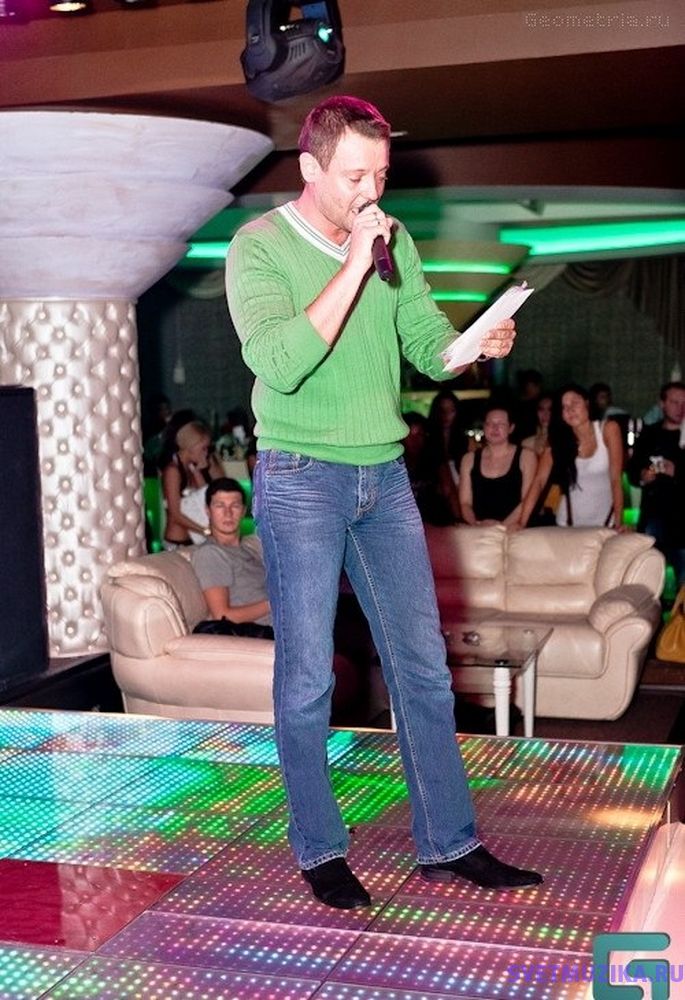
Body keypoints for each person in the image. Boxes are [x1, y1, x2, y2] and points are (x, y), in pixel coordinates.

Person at [226, 95, 541, 910]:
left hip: (383, 476)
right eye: (354, 176)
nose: (371, 193)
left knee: (423, 670)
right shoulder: (258, 247)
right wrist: (354, 264)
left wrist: (472, 345)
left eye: (381, 175)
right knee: (308, 677)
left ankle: (449, 842)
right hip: (301, 476)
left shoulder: (390, 238)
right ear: (310, 168)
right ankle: (319, 848)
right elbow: (279, 361)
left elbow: (425, 345)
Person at [517, 383, 624, 529]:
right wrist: (522, 523)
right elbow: (539, 482)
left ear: (587, 403)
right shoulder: (558, 442)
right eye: (564, 407)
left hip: (606, 522)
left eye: (575, 403)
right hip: (568, 524)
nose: (570, 410)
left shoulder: (608, 429)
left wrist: (619, 523)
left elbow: (616, 479)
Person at [191, 478, 273, 638]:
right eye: (220, 506)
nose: (228, 513)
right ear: (208, 511)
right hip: (268, 632)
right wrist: (276, 603)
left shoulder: (247, 550)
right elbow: (222, 615)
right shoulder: (211, 553)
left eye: (234, 506)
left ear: (243, 511)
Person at [627, 381, 685, 584]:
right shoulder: (650, 433)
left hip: (682, 521)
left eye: (684, 403)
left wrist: (676, 471)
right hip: (654, 515)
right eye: (675, 402)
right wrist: (642, 475)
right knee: (648, 580)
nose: (680, 408)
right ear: (662, 404)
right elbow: (632, 470)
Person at [459, 402, 537, 527]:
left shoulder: (527, 457)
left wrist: (500, 528)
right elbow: (465, 503)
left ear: (511, 428)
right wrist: (476, 527)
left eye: (501, 424)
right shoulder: (468, 459)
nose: (495, 428)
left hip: (513, 529)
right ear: (484, 427)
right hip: (477, 529)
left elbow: (526, 501)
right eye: (490, 423)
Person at [159, 418, 223, 548]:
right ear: (192, 445)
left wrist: (199, 469)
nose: (206, 452)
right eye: (203, 448)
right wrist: (206, 531)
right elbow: (175, 513)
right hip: (176, 542)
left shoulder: (190, 468)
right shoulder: (173, 471)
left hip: (193, 539)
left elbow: (204, 496)